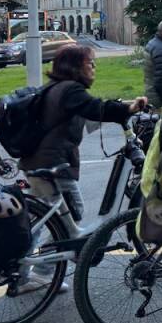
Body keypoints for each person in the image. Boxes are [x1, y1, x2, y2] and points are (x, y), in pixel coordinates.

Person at [20, 45, 146, 232]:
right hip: (53, 164)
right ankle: (51, 260)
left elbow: (90, 116)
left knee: (38, 221)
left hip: (35, 161)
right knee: (73, 214)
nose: (94, 67)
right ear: (75, 67)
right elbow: (95, 109)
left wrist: (119, 110)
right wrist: (129, 109)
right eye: (90, 63)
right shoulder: (70, 90)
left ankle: (22, 256)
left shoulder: (56, 87)